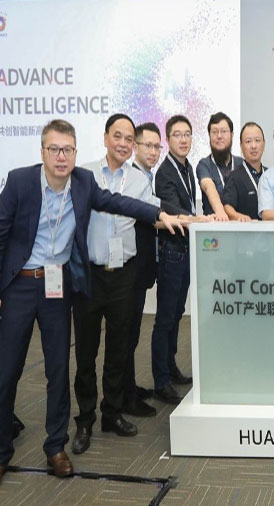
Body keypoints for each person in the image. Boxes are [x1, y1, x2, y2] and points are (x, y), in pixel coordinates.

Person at [0, 119, 184, 482]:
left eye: (67, 150)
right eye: (54, 149)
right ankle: (2, 449)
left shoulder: (83, 183)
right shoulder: (20, 181)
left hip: (56, 288)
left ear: (75, 152)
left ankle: (56, 447)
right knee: (7, 372)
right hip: (20, 285)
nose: (61, 157)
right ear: (42, 151)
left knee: (58, 370)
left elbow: (119, 202)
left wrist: (159, 214)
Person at [72, 114, 168, 454]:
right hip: (90, 274)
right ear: (105, 138)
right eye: (118, 136)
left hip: (124, 275)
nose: (124, 144)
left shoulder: (139, 179)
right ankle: (85, 419)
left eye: (129, 138)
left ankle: (111, 413)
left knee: (118, 349)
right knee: (86, 352)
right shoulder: (84, 174)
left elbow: (155, 213)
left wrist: (190, 218)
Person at [151, 115, 200, 405]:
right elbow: (173, 210)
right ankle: (160, 381)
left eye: (187, 134)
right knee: (165, 317)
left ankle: (170, 368)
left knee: (177, 313)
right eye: (177, 134)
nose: (183, 139)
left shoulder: (187, 167)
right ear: (168, 139)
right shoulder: (165, 172)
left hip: (185, 249)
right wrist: (201, 220)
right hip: (171, 251)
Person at [123, 122, 164, 418]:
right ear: (135, 146)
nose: (153, 151)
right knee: (126, 335)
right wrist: (189, 219)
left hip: (141, 269)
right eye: (147, 145)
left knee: (132, 333)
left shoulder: (146, 177)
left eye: (156, 146)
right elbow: (154, 217)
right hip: (130, 270)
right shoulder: (131, 179)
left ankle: (129, 387)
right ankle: (125, 398)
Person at [195, 112, 243, 220]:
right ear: (209, 136)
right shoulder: (204, 164)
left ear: (232, 135)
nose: (219, 136)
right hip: (214, 225)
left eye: (224, 131)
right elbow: (208, 186)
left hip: (240, 225)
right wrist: (220, 211)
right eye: (214, 132)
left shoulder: (241, 164)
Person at [223, 121, 266, 221]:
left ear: (264, 144)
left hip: (271, 230)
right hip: (246, 229)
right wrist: (238, 216)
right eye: (248, 141)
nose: (253, 146)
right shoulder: (234, 177)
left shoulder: (270, 174)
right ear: (241, 146)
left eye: (257, 140)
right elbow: (227, 207)